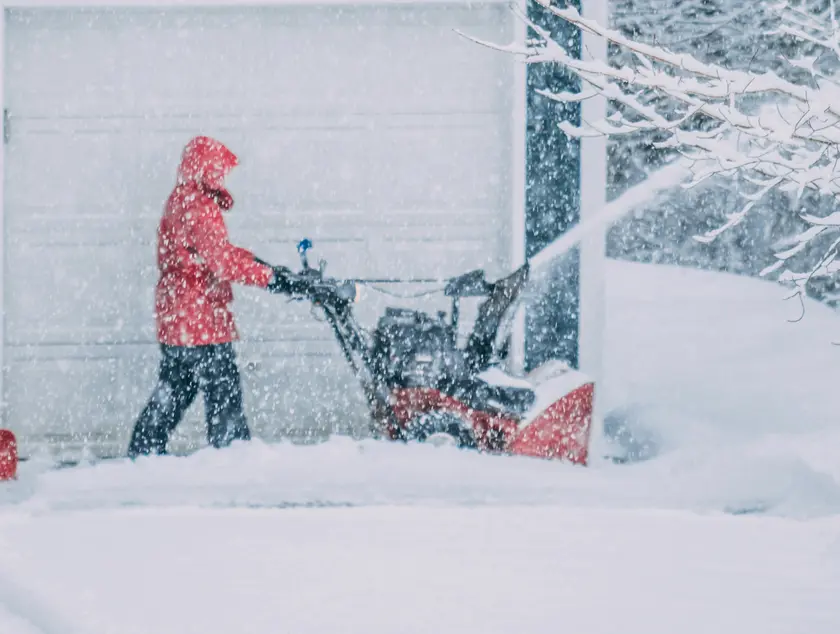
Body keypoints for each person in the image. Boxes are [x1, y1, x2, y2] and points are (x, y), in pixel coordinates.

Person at [127, 135, 292, 458]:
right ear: (207, 169)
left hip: (178, 316)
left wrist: (260, 264)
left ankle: (143, 452)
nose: (223, 178)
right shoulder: (200, 207)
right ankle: (232, 456)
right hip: (199, 317)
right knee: (223, 390)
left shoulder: (181, 199)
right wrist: (271, 279)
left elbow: (214, 252)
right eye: (219, 171)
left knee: (175, 388)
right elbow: (221, 262)